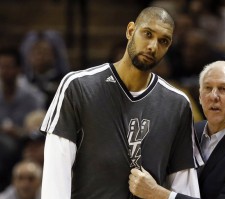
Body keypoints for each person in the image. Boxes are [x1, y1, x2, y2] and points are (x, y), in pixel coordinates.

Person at [40, 6, 202, 199]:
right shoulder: (78, 87)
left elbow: (185, 190)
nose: (153, 46)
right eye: (148, 34)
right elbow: (55, 178)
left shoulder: (178, 104)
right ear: (130, 31)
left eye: (163, 41)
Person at [129, 60, 225, 199]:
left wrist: (158, 194)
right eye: (208, 88)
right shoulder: (191, 131)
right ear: (200, 96)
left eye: (223, 89)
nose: (213, 96)